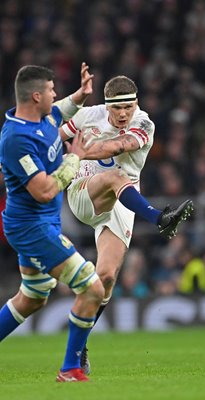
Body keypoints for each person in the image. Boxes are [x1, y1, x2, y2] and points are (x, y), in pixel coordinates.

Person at [60, 74, 194, 374]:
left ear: (137, 103)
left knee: (104, 278)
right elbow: (56, 134)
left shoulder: (144, 123)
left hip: (122, 203)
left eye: (128, 107)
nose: (123, 114)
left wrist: (81, 151)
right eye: (116, 108)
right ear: (106, 105)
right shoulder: (87, 116)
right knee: (115, 176)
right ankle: (160, 219)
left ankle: (78, 349)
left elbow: (120, 146)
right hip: (85, 192)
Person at [0, 62, 105, 383]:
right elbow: (44, 191)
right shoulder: (16, 139)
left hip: (40, 225)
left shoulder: (43, 118)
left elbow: (61, 109)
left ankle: (70, 368)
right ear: (35, 95)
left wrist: (82, 94)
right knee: (92, 288)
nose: (55, 94)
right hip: (32, 227)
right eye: (50, 89)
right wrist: (75, 157)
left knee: (33, 296)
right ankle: (71, 369)